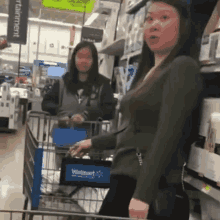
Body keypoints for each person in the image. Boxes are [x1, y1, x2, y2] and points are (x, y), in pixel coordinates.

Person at [67, 0, 219, 219]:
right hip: (126, 181)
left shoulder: (182, 67)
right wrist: (94, 142)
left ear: (184, 26)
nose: (154, 24)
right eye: (149, 18)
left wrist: (143, 195)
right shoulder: (149, 72)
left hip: (145, 187)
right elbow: (135, 131)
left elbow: (168, 136)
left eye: (164, 18)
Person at [41, 41, 115, 196]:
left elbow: (109, 110)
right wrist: (65, 115)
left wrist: (88, 115)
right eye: (80, 56)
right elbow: (46, 103)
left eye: (88, 57)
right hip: (64, 138)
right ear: (74, 58)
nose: (83, 61)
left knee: (83, 184)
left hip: (90, 142)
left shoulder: (103, 84)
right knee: (63, 178)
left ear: (94, 61)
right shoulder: (63, 81)